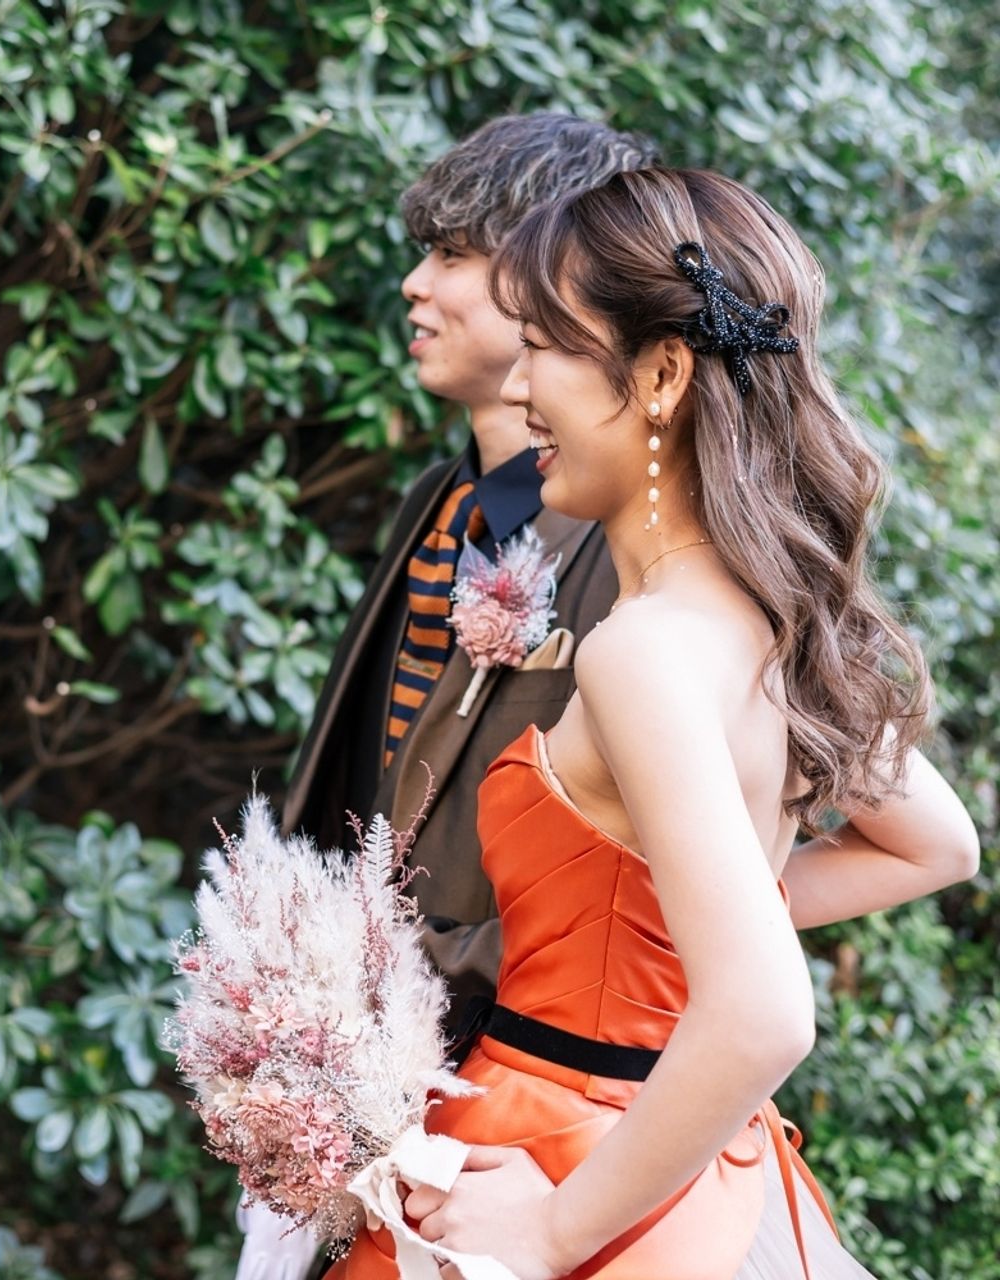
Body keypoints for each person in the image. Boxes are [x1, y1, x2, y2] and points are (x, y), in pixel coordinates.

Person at [329, 168, 981, 1279]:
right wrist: (685, 930)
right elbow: (936, 845)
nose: (517, 384)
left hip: (559, 1146)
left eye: (543, 347)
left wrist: (550, 1231)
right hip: (701, 1167)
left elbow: (763, 1012)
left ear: (662, 374)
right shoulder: (770, 620)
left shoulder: (642, 650)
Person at [235, 113, 658, 1280]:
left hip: (505, 1099)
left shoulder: (630, 541)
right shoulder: (437, 497)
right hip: (351, 1072)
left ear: (558, 286)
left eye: (454, 253)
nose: (414, 284)